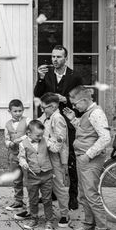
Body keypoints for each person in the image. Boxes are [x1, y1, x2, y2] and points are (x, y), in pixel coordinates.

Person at [34, 45, 84, 210]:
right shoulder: (46, 74)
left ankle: (73, 197)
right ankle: (53, 192)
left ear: (65, 58)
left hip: (67, 122)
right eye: (53, 57)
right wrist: (40, 79)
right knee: (50, 158)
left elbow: (81, 99)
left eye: (58, 57)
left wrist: (66, 101)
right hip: (49, 122)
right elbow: (37, 95)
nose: (55, 60)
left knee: (69, 159)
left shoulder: (74, 76)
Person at [64, 86, 112, 230]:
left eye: (75, 104)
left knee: (91, 194)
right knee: (84, 194)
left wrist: (88, 155)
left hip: (90, 160)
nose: (74, 107)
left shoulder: (97, 113)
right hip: (84, 159)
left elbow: (105, 138)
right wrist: (73, 119)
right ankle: (89, 225)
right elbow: (86, 132)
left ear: (84, 100)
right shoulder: (87, 113)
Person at [39, 93, 70, 227]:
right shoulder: (47, 116)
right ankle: (48, 212)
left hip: (55, 157)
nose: (42, 109)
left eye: (44, 107)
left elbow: (59, 143)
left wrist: (45, 142)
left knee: (59, 185)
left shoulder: (58, 119)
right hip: (45, 155)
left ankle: (65, 214)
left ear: (53, 106)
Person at [18, 120, 54, 230]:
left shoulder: (45, 140)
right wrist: (23, 163)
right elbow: (21, 157)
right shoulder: (22, 144)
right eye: (38, 135)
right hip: (32, 176)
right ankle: (34, 218)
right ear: (29, 133)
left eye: (41, 135)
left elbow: (54, 148)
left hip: (46, 174)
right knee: (33, 199)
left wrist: (58, 141)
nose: (40, 137)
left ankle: (49, 221)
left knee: (47, 199)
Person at [3, 99, 27, 212]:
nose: (18, 113)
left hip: (26, 154)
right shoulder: (7, 124)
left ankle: (33, 200)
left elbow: (30, 134)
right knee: (16, 178)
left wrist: (20, 139)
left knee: (30, 178)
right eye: (15, 111)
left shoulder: (27, 121)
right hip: (13, 154)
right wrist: (9, 143)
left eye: (20, 111)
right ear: (10, 111)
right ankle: (18, 201)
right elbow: (6, 138)